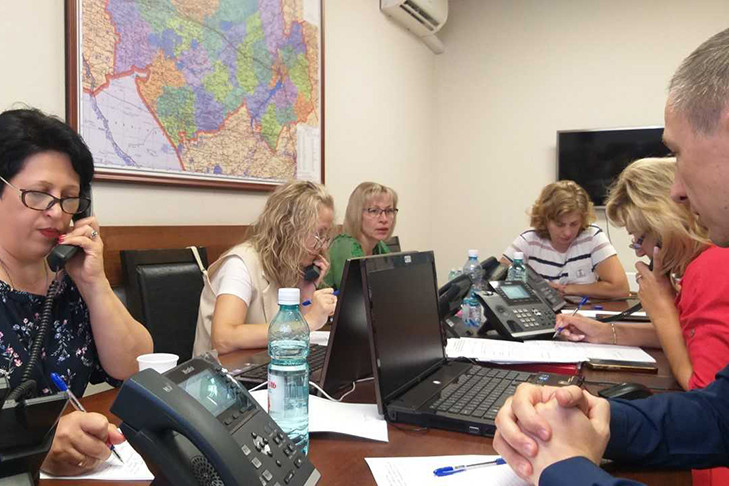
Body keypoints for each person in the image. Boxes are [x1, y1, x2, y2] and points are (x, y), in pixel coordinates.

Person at [493, 27, 729, 486]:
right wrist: (599, 416)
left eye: (677, 154)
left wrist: (563, 468)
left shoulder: (713, 265)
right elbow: (719, 414)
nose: (677, 191)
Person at [0, 108, 153, 475]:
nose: (58, 213)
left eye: (69, 198)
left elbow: (135, 368)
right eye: (39, 194)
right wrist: (35, 444)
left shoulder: (69, 282)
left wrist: (93, 283)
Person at [559, 158, 729, 392]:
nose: (639, 252)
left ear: (664, 227)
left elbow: (706, 392)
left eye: (639, 239)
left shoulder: (711, 268)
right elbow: (686, 336)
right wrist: (605, 332)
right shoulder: (707, 261)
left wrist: (662, 309)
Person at [193, 180, 338, 354]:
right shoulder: (240, 264)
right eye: (318, 235)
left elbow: (295, 341)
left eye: (326, 236)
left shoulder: (289, 266)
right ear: (289, 229)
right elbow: (224, 338)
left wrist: (306, 291)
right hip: (224, 369)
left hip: (266, 365)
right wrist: (307, 322)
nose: (323, 246)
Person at [501, 180, 629, 300]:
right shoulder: (529, 240)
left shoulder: (592, 237)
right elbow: (497, 280)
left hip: (582, 313)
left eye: (574, 224)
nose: (567, 233)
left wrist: (568, 289)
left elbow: (621, 289)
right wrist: (538, 288)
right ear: (545, 220)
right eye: (560, 224)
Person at [323, 182, 398, 290]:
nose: (384, 219)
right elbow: (359, 294)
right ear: (356, 213)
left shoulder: (378, 245)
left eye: (389, 211)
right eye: (374, 211)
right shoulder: (344, 245)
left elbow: (392, 283)